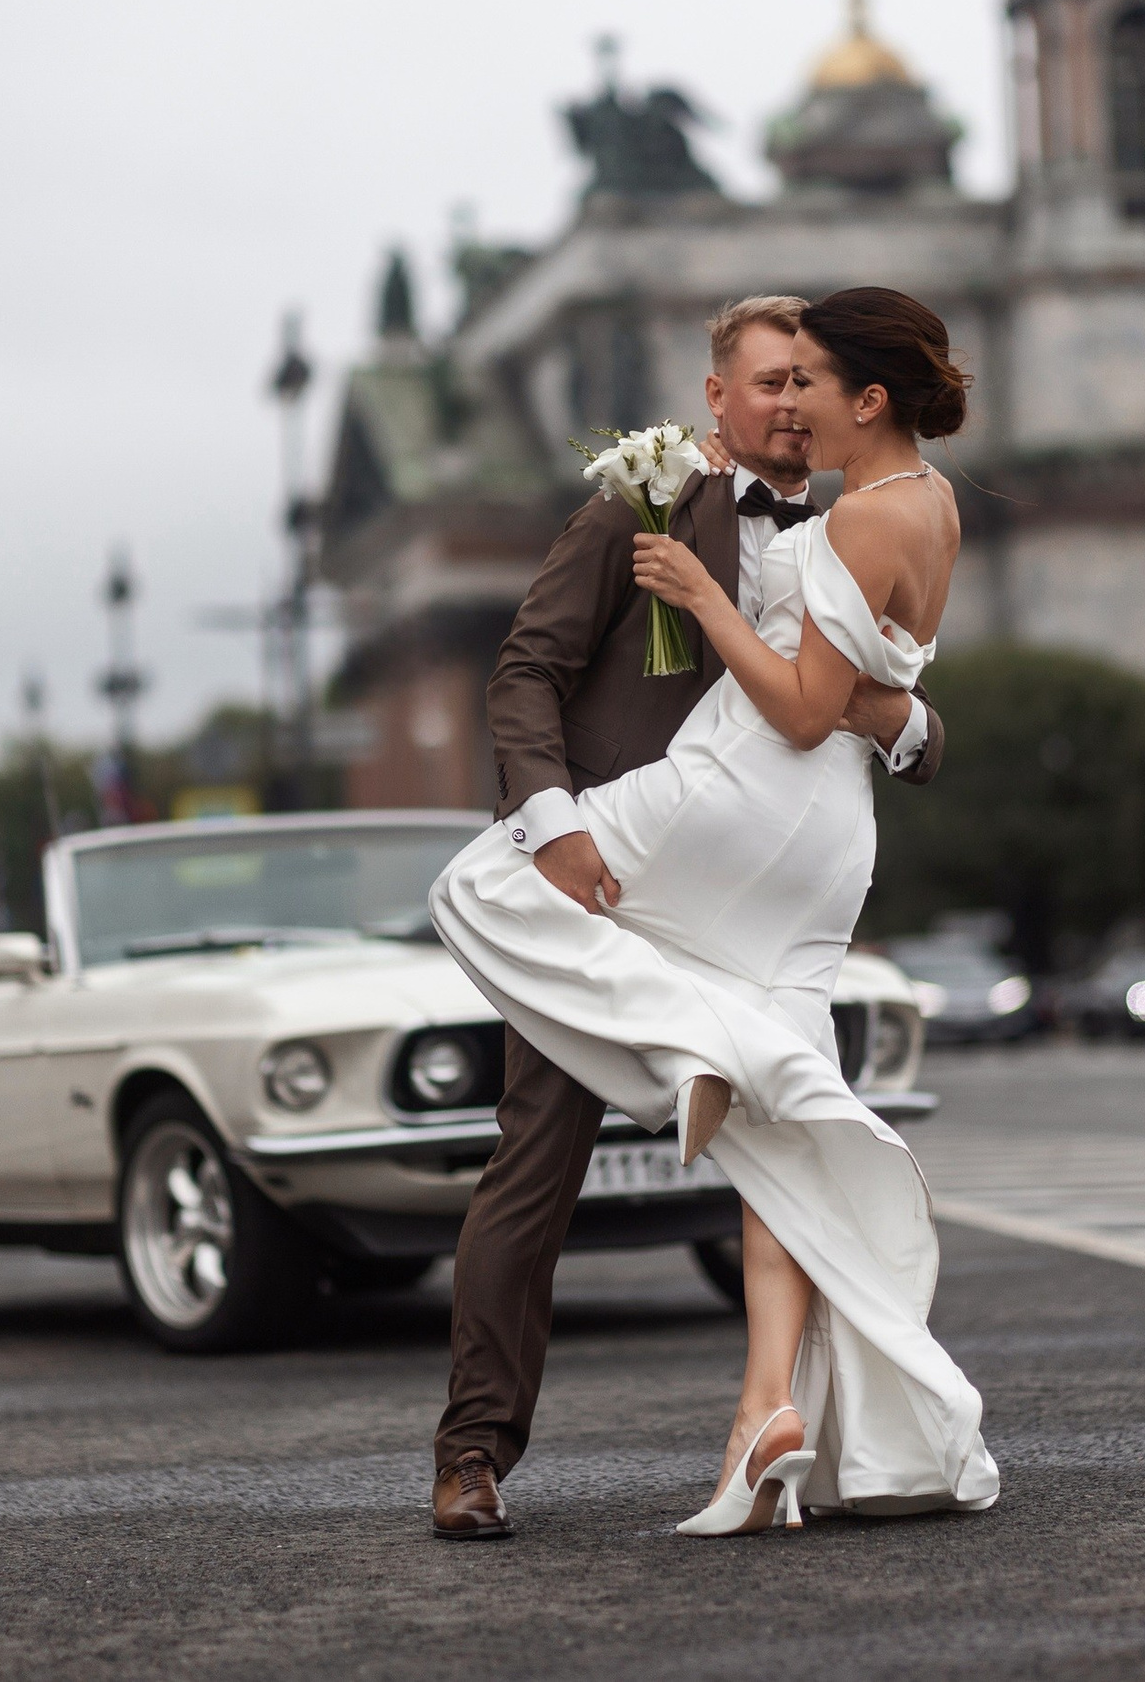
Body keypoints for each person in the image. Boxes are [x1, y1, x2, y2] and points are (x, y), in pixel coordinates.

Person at [432, 287, 999, 1537]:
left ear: (852, 396)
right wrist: (554, 822)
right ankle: (476, 1455)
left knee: (776, 1144)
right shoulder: (642, 500)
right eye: (769, 382)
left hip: (757, 847)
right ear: (716, 401)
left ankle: (762, 1411)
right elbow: (525, 669)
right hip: (619, 881)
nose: (789, 404)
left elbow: (871, 707)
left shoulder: (859, 513)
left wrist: (899, 723)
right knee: (538, 1168)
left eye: (808, 381)